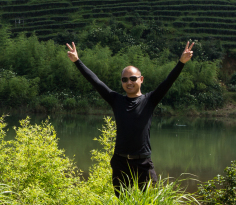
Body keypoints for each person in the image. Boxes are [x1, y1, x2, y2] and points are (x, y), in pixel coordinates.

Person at [66, 40, 195, 194]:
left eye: (133, 78)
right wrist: (77, 61)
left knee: (151, 202)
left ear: (141, 79)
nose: (129, 82)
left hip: (143, 162)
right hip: (120, 162)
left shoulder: (150, 100)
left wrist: (181, 62)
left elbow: (168, 82)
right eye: (125, 79)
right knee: (122, 203)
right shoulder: (116, 100)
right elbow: (96, 82)